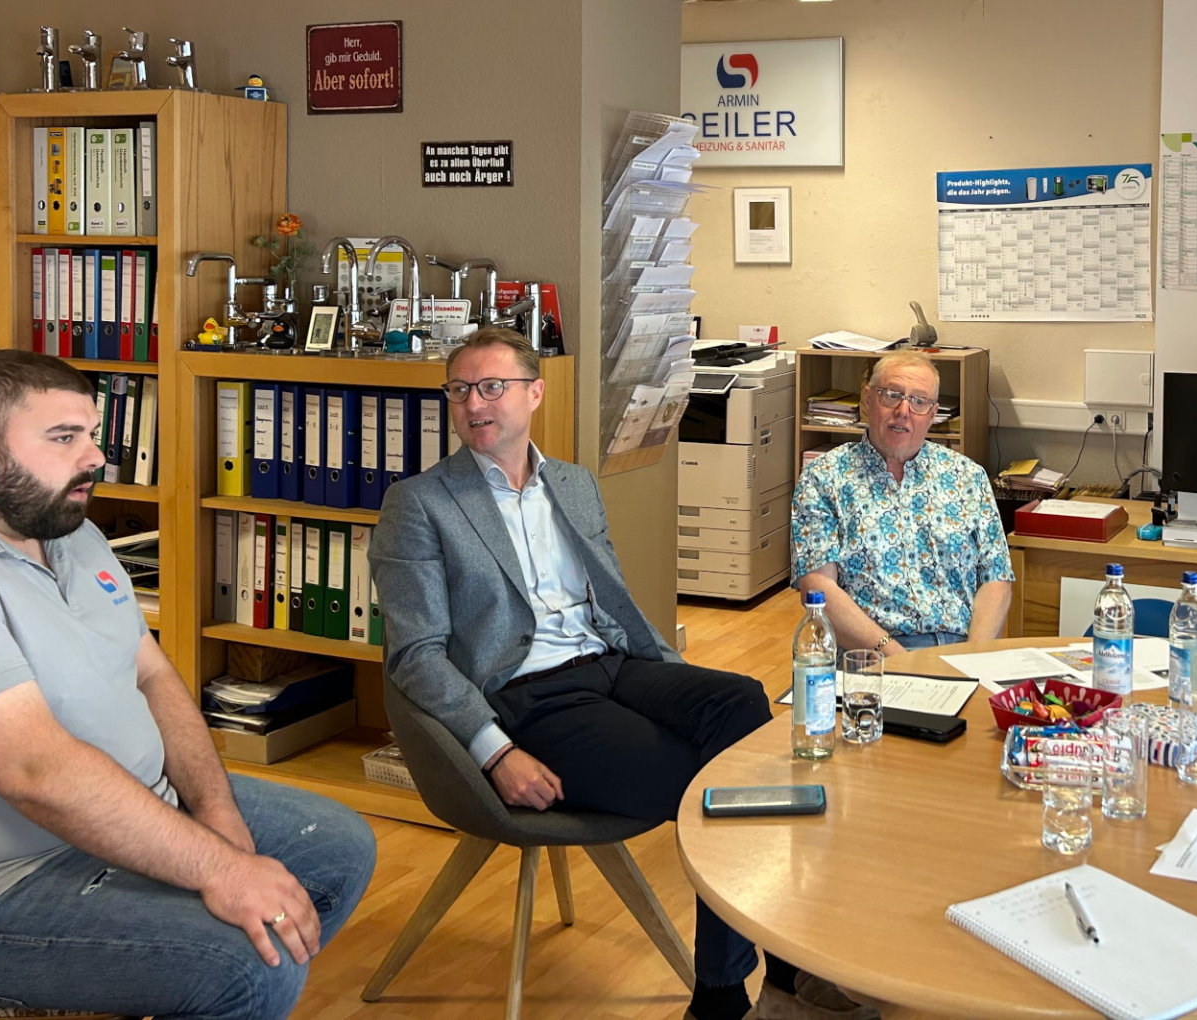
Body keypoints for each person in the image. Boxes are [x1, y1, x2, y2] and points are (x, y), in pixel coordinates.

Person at [372, 327, 875, 1020]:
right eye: (460, 390)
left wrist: (675, 686)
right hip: (527, 696)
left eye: (492, 386)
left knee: (739, 703)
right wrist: (495, 753)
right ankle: (736, 989)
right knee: (713, 782)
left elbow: (615, 603)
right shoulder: (421, 504)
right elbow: (415, 653)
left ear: (534, 393)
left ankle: (767, 972)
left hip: (612, 665)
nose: (473, 403)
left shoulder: (573, 486)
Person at [0, 350, 375, 1020]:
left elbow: (153, 674)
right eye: (63, 437)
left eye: (92, 434)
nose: (95, 457)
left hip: (126, 809)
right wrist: (222, 869)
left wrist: (216, 815)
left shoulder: (64, 529)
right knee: (242, 972)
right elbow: (33, 768)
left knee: (337, 845)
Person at [792, 351, 1013, 652]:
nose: (903, 410)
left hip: (961, 650)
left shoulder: (968, 476)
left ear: (933, 414)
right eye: (892, 395)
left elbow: (996, 578)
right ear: (868, 400)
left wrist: (973, 657)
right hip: (871, 655)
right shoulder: (824, 478)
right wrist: (896, 656)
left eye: (919, 401)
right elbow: (818, 587)